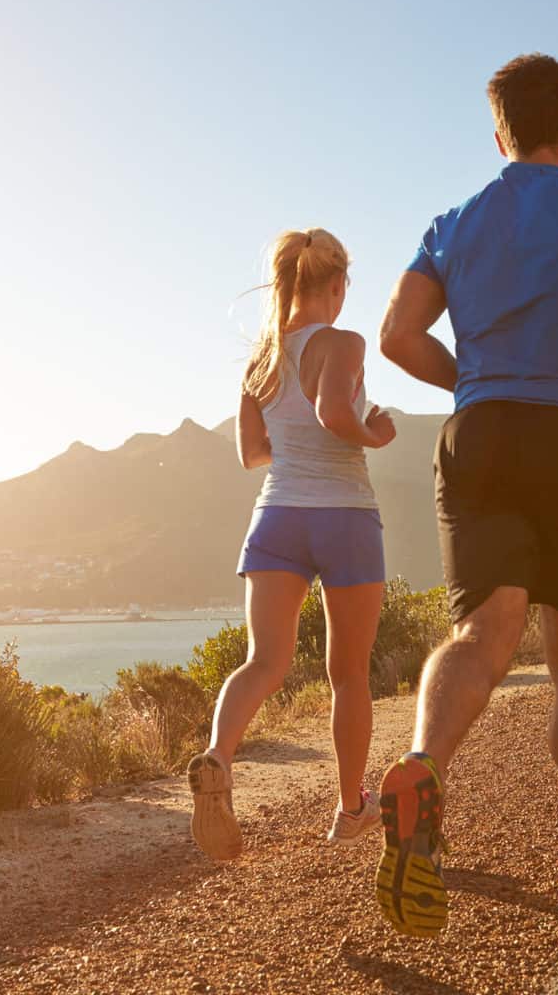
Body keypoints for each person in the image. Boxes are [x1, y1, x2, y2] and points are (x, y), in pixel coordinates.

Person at [371, 54, 558, 936]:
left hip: (483, 436)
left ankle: (423, 766)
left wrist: (477, 380)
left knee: (479, 636)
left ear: (499, 133)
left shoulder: (452, 222)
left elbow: (397, 335)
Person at [187, 228, 398, 861]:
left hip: (276, 517)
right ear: (336, 286)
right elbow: (335, 413)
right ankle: (351, 809)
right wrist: (374, 432)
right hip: (345, 518)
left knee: (264, 661)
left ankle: (218, 756)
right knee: (348, 675)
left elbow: (254, 454)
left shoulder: (261, 360)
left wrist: (301, 442)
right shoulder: (344, 341)